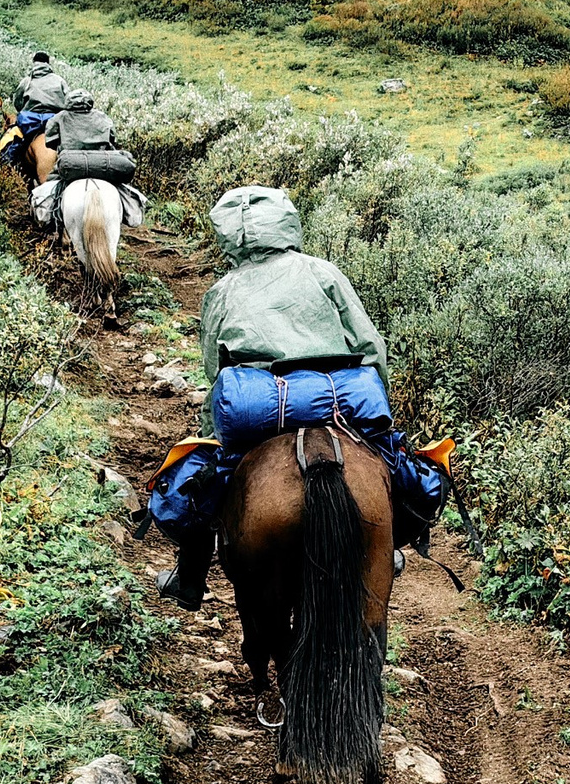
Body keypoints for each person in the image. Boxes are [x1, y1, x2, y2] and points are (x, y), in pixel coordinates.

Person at [150, 185, 445, 609]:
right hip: (342, 399)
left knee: (206, 487)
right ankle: (389, 546)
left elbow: (216, 375)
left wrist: (212, 433)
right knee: (392, 467)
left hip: (257, 407)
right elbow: (370, 345)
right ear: (287, 223)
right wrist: (380, 408)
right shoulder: (323, 272)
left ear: (229, 236)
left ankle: (190, 576)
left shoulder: (223, 291)